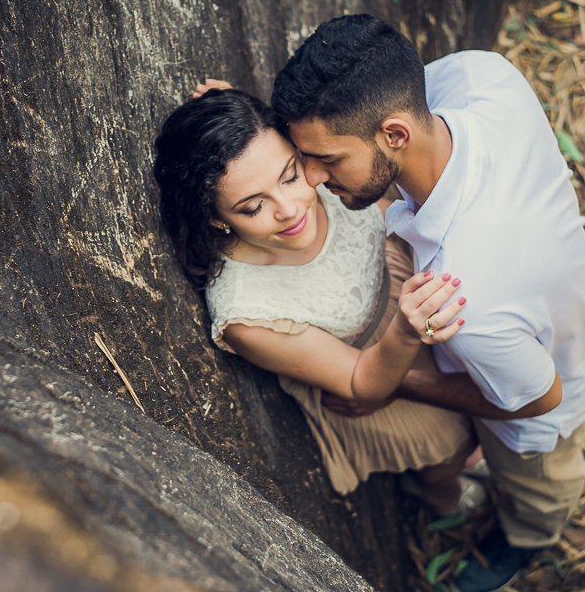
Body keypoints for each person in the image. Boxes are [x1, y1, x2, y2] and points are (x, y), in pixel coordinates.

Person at [271, 14, 585, 592]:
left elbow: (538, 399)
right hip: (565, 305)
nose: (309, 177)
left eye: (326, 160)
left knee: (537, 485)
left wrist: (402, 382)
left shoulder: (468, 294)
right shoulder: (481, 78)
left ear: (395, 135)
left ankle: (526, 537)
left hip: (550, 399)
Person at [153, 87, 478, 513]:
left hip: (408, 288)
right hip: (368, 363)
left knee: (479, 383)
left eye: (289, 175)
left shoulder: (310, 166)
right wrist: (405, 327)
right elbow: (360, 381)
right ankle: (442, 495)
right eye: (253, 208)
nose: (290, 208)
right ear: (214, 216)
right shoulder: (245, 315)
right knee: (448, 437)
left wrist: (242, 108)